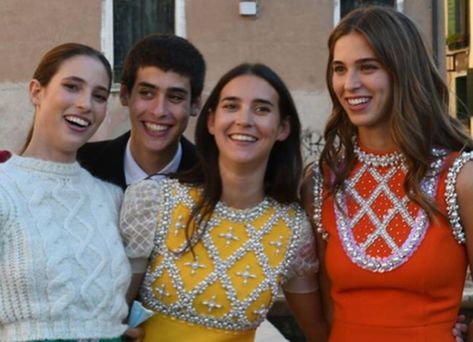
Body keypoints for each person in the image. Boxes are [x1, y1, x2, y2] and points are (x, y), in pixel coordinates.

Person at [119, 63, 328, 341]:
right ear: (211, 121)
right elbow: (111, 317)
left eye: (262, 109)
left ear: (283, 128)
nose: (244, 120)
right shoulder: (154, 200)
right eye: (231, 106)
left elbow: (319, 332)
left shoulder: (292, 229)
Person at [301, 6, 473, 341]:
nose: (349, 84)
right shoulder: (321, 184)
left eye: (367, 67)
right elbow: (326, 315)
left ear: (403, 72)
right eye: (339, 69)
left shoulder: (460, 179)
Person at [0, 43, 134, 341]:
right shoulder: (4, 189)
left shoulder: (112, 198)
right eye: (72, 87)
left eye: (99, 96)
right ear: (37, 91)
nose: (86, 104)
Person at [77, 34, 205, 189]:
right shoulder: (81, 164)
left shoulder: (215, 175)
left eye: (175, 97)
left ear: (195, 104)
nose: (159, 111)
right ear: (125, 95)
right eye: (147, 93)